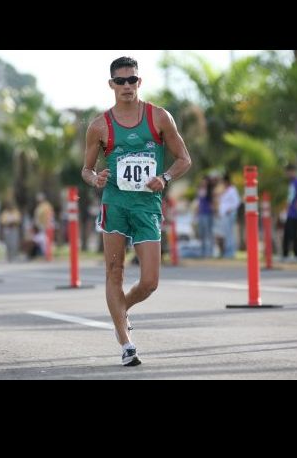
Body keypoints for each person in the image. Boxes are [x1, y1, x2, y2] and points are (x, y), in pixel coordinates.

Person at [82, 56, 191, 366]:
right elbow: (86, 170)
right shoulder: (99, 125)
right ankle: (126, 343)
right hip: (114, 203)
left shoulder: (159, 118)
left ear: (139, 82)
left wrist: (165, 177)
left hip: (147, 205)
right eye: (121, 81)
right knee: (114, 272)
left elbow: (184, 159)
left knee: (150, 281)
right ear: (111, 85)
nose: (127, 86)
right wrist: (96, 179)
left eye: (132, 80)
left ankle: (121, 309)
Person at [218, 174, 240, 258]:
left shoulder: (232, 190)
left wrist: (229, 210)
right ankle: (227, 251)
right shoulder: (225, 190)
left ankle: (231, 252)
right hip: (224, 215)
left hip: (229, 214)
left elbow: (237, 202)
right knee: (226, 234)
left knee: (230, 234)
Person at [196, 176, 215, 258]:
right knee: (202, 234)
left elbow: (212, 203)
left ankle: (209, 252)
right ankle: (203, 252)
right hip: (201, 214)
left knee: (208, 233)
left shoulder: (210, 192)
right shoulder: (200, 191)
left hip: (207, 214)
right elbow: (199, 203)